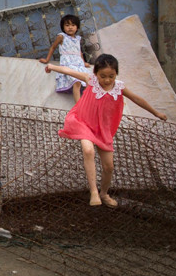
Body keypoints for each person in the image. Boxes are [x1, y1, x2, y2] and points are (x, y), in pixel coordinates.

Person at [44, 54, 167, 208]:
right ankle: (94, 192)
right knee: (88, 150)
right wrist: (51, 66)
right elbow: (68, 70)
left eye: (111, 76)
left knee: (109, 167)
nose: (107, 80)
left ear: (116, 74)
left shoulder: (119, 87)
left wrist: (156, 113)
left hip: (103, 130)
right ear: (95, 73)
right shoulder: (91, 80)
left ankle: (104, 193)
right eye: (103, 76)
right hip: (84, 123)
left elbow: (137, 99)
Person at [39, 14, 92, 104]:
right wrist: (47, 60)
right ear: (63, 27)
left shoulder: (78, 39)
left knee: (89, 82)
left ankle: (86, 103)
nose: (70, 27)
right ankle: (78, 106)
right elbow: (53, 47)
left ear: (77, 27)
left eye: (73, 25)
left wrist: (83, 63)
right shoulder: (61, 37)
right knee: (76, 82)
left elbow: (79, 52)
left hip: (78, 64)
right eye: (67, 25)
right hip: (68, 64)